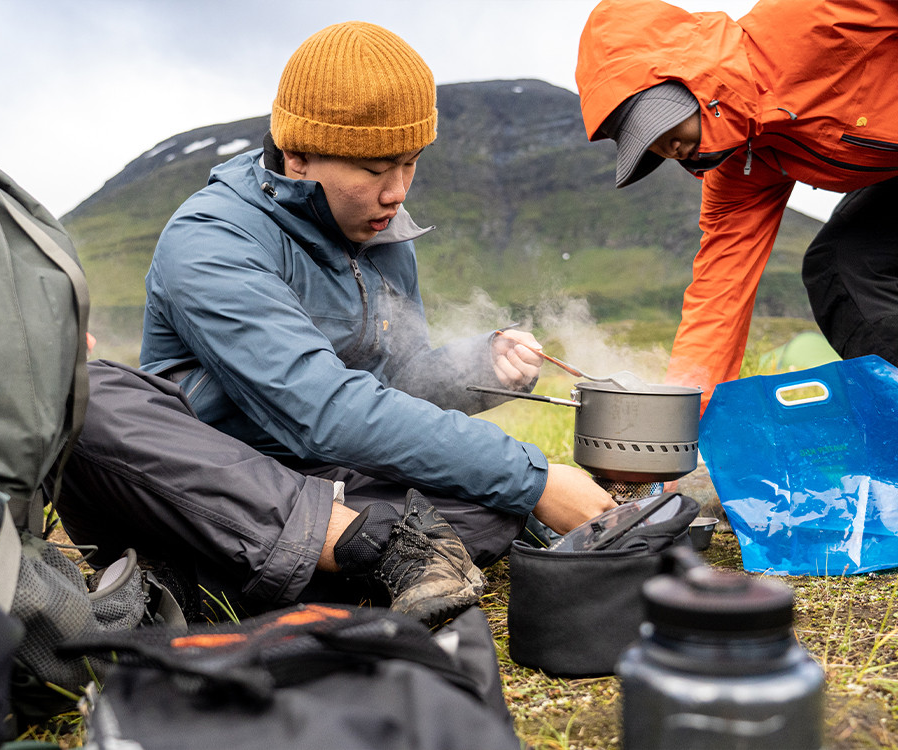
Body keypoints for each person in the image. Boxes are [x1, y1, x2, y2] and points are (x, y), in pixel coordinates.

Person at [56, 21, 615, 626]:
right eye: (375, 169)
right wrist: (531, 478)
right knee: (87, 399)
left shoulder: (382, 235)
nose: (396, 194)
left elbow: (392, 382)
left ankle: (250, 582)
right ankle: (312, 561)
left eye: (410, 164)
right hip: (208, 490)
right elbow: (320, 407)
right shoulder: (211, 239)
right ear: (296, 155)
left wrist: (481, 365)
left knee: (487, 508)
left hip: (321, 480)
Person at [575, 0, 898, 412]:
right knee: (842, 264)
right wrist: (680, 424)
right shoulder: (741, 167)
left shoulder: (808, 18)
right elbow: (718, 299)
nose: (666, 148)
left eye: (656, 122)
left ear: (683, 78)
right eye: (647, 145)